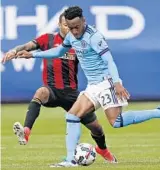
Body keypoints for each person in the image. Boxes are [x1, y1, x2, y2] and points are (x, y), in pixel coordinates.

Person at [3, 6, 160, 167]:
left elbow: (109, 61)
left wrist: (117, 83)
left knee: (116, 122)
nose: (75, 31)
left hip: (107, 82)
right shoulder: (71, 36)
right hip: (93, 85)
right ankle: (70, 159)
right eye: (71, 28)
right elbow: (58, 52)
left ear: (83, 21)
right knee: (72, 116)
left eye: (77, 27)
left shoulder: (94, 37)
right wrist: (32, 55)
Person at [2, 13, 117, 167]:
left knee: (96, 127)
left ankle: (103, 150)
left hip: (72, 94)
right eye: (65, 25)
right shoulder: (47, 39)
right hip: (52, 91)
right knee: (40, 93)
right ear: (59, 25)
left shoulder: (77, 42)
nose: (68, 28)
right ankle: (26, 131)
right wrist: (14, 51)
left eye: (70, 26)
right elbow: (26, 46)